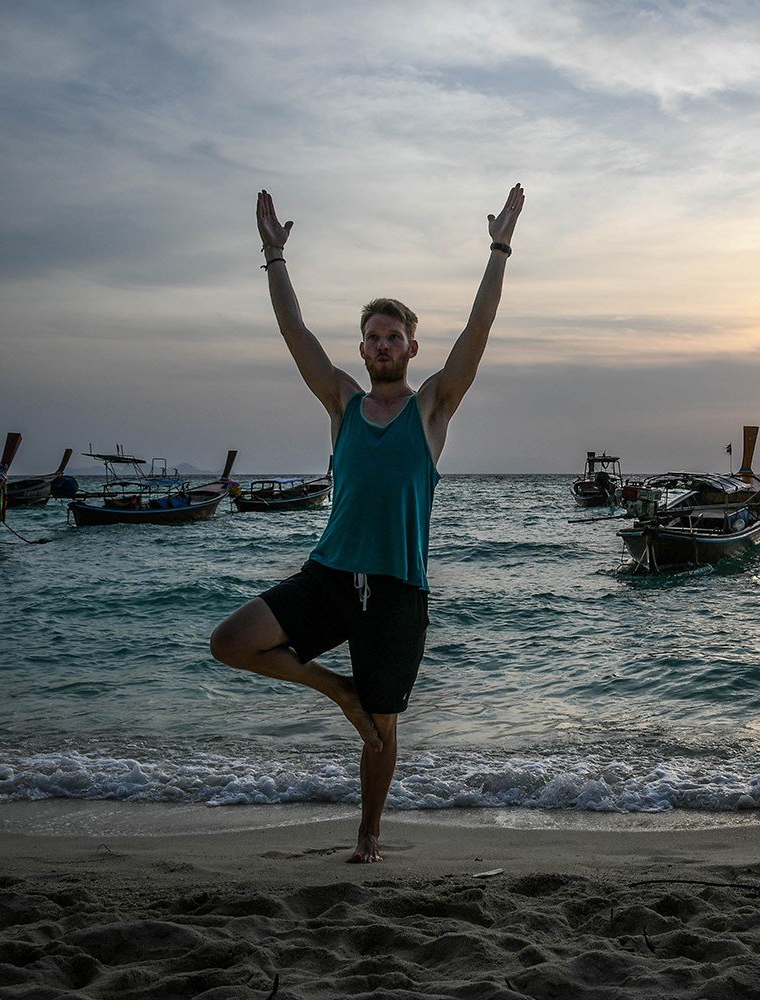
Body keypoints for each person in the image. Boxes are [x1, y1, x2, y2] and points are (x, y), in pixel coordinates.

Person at [210, 184, 525, 863]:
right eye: (372, 338)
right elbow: (295, 335)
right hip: (328, 576)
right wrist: (273, 257)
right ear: (361, 348)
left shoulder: (433, 410)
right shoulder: (342, 403)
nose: (382, 346)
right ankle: (337, 691)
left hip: (397, 592)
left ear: (412, 347)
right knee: (231, 642)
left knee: (383, 731)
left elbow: (480, 330)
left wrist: (498, 248)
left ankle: (368, 835)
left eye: (394, 337)